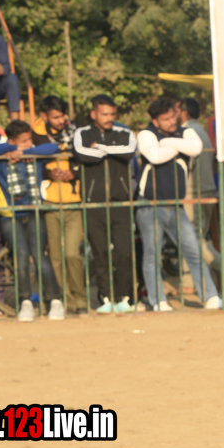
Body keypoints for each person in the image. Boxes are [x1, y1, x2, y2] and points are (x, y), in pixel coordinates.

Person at [136, 96, 224, 311]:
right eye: (166, 119)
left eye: (173, 117)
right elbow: (154, 156)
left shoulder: (185, 132)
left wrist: (168, 143)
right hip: (150, 205)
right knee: (152, 255)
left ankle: (211, 297)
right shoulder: (146, 134)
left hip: (176, 205)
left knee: (194, 251)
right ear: (155, 121)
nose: (172, 122)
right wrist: (180, 147)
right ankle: (158, 301)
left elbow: (195, 148)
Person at [0, 119, 65, 322]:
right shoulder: (1, 157)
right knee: (20, 258)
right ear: (12, 140)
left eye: (30, 140)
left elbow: (53, 148)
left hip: (35, 212)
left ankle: (55, 300)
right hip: (10, 216)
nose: (29, 143)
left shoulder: (34, 156)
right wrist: (11, 149)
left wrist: (25, 152)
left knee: (40, 256)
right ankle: (25, 301)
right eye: (24, 141)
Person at [73, 93, 136, 314]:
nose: (109, 118)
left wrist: (100, 147)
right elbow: (81, 153)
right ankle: (106, 298)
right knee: (100, 254)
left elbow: (129, 151)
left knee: (125, 252)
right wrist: (106, 151)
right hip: (94, 203)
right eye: (104, 114)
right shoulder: (81, 133)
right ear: (94, 114)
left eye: (112, 114)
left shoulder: (124, 132)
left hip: (121, 202)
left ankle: (124, 297)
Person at [32, 95, 86, 313]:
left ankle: (80, 299)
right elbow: (34, 163)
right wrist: (49, 173)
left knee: (72, 254)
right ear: (44, 116)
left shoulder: (76, 132)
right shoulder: (36, 135)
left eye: (63, 116)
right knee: (55, 256)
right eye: (55, 117)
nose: (61, 120)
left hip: (74, 201)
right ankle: (67, 300)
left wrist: (74, 173)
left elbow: (86, 160)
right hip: (50, 201)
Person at [178, 96, 219, 264]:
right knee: (196, 239)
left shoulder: (187, 132)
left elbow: (187, 165)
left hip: (193, 193)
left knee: (193, 240)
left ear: (184, 113)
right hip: (207, 190)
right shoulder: (201, 131)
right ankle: (192, 278)